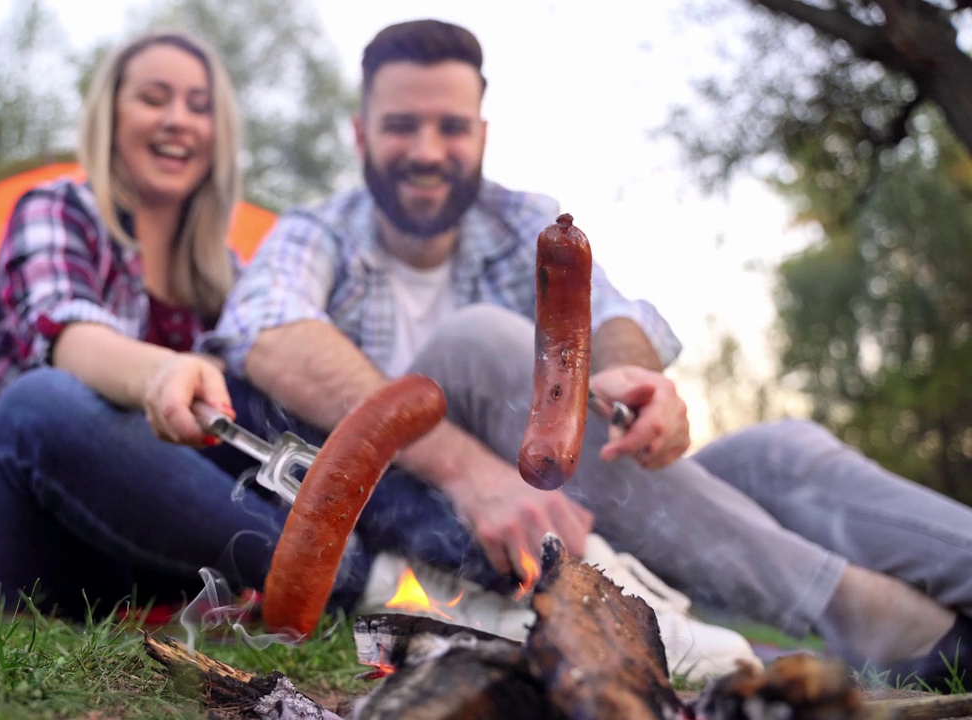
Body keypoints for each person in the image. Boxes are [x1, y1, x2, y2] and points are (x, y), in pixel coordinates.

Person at [207, 19, 972, 689]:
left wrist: (631, 374)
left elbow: (615, 317)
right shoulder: (320, 231)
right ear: (361, 134)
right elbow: (267, 333)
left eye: (451, 126)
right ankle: (867, 614)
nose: (428, 150)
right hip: (445, 529)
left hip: (589, 504)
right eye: (403, 126)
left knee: (779, 449)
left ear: (481, 132)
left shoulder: (524, 220)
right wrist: (469, 470)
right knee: (480, 339)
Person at [0, 29, 280, 620]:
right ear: (111, 117)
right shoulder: (56, 210)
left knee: (261, 396)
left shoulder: (226, 273)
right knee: (42, 404)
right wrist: (165, 371)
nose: (179, 121)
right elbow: (70, 337)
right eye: (154, 98)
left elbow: (268, 380)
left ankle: (346, 559)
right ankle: (335, 576)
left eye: (200, 108)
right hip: (17, 533)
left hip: (136, 558)